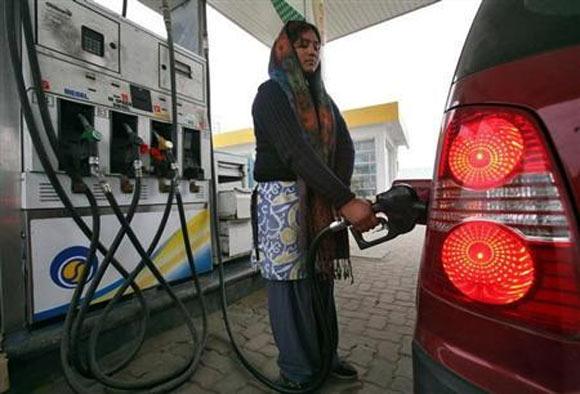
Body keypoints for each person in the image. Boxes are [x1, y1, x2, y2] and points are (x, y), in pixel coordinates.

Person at [250, 20, 379, 388]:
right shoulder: (271, 95)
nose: (312, 51)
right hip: (281, 202)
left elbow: (347, 147)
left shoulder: (323, 101)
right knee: (290, 288)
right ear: (284, 49)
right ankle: (297, 373)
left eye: (316, 46)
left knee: (319, 281)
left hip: (317, 199)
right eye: (303, 44)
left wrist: (337, 197)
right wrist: (344, 198)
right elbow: (295, 153)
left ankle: (326, 357)